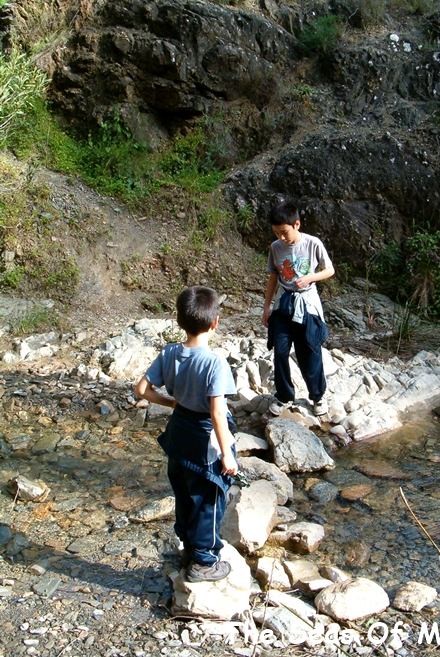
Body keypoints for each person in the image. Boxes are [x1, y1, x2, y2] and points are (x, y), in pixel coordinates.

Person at [135, 286, 238, 583]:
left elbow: (141, 390)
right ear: (215, 322)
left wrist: (171, 402)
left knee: (183, 493)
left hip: (177, 434)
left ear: (179, 322)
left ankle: (188, 549)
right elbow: (217, 414)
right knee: (209, 497)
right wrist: (228, 455)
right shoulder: (214, 362)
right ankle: (204, 562)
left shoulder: (169, 352)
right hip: (204, 439)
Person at [262, 201, 335, 417]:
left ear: (297, 224)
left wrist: (311, 277)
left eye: (284, 232)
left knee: (310, 351)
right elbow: (273, 277)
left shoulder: (313, 244)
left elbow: (329, 269)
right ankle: (284, 395)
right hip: (284, 303)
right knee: (280, 351)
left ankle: (318, 396)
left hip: (308, 303)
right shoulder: (275, 248)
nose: (281, 238)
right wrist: (266, 307)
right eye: (276, 233)